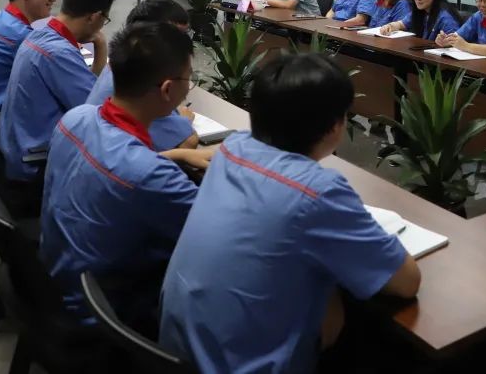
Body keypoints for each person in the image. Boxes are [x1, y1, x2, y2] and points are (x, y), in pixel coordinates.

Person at [160, 54, 421, 373]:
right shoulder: (318, 191)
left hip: (176, 350)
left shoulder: (233, 149)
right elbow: (407, 282)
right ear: (336, 126)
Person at [41, 22, 210, 324]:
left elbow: (120, 166)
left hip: (57, 278)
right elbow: (215, 234)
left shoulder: (76, 118)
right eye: (189, 79)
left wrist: (174, 154)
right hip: (107, 309)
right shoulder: (149, 174)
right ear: (167, 89)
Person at [0, 0, 115, 183]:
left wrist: (100, 45)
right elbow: (96, 111)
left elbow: (90, 92)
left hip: (18, 147)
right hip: (36, 161)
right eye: (104, 19)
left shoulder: (41, 35)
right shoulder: (58, 53)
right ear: (94, 17)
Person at [86, 0, 199, 151]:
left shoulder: (122, 65)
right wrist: (184, 121)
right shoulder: (141, 85)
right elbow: (187, 143)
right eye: (174, 36)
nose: (181, 44)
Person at [377, 0, 460, 41]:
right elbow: (401, 24)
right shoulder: (421, 11)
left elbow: (454, 43)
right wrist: (389, 26)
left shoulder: (445, 17)